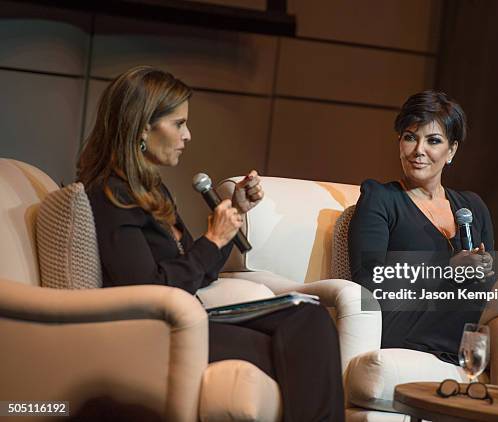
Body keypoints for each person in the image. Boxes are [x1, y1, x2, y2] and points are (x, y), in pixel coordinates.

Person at [77, 66, 345, 421]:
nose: (188, 135)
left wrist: (234, 212)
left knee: (309, 319)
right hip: (155, 328)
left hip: (190, 314)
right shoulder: (111, 195)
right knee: (298, 349)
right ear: (142, 126)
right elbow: (147, 290)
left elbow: (199, 272)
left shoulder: (151, 190)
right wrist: (212, 238)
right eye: (178, 124)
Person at [348, 90, 498, 388]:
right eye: (410, 137)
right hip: (401, 318)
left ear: (451, 151)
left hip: (458, 318)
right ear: (399, 143)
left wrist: (479, 268)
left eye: (433, 141)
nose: (419, 150)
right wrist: (446, 269)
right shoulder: (380, 198)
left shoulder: (471, 206)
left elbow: (486, 286)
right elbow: (368, 281)